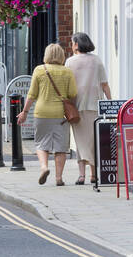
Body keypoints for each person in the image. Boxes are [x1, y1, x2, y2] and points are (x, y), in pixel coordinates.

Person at [16, 43, 78, 186]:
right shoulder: (67, 72)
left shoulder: (39, 70)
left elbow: (31, 94)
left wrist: (24, 112)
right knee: (60, 147)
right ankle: (58, 178)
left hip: (41, 112)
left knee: (41, 144)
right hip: (60, 115)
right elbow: (73, 94)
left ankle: (44, 167)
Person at [66, 32, 111, 185]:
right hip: (94, 106)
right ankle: (93, 175)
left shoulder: (70, 62)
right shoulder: (97, 61)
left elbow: (67, 86)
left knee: (79, 142)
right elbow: (104, 84)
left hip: (76, 107)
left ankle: (81, 176)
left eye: (72, 43)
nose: (71, 46)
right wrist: (111, 104)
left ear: (77, 44)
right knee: (93, 141)